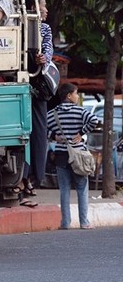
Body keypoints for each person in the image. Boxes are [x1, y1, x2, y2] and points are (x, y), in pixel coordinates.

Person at [46, 83, 100, 229]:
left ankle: (65, 223)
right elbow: (94, 120)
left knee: (64, 190)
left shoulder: (52, 113)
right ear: (69, 96)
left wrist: (54, 136)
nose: (77, 96)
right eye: (76, 93)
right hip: (79, 156)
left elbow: (42, 127)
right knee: (82, 189)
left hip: (61, 155)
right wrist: (81, 133)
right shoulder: (80, 111)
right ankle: (84, 222)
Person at [28, 0, 54, 191]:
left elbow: (48, 53)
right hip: (35, 83)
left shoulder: (43, 29)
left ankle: (35, 175)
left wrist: (42, 58)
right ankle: (34, 175)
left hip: (33, 82)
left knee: (36, 131)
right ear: (32, 7)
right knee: (36, 130)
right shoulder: (36, 28)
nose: (46, 10)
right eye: (42, 6)